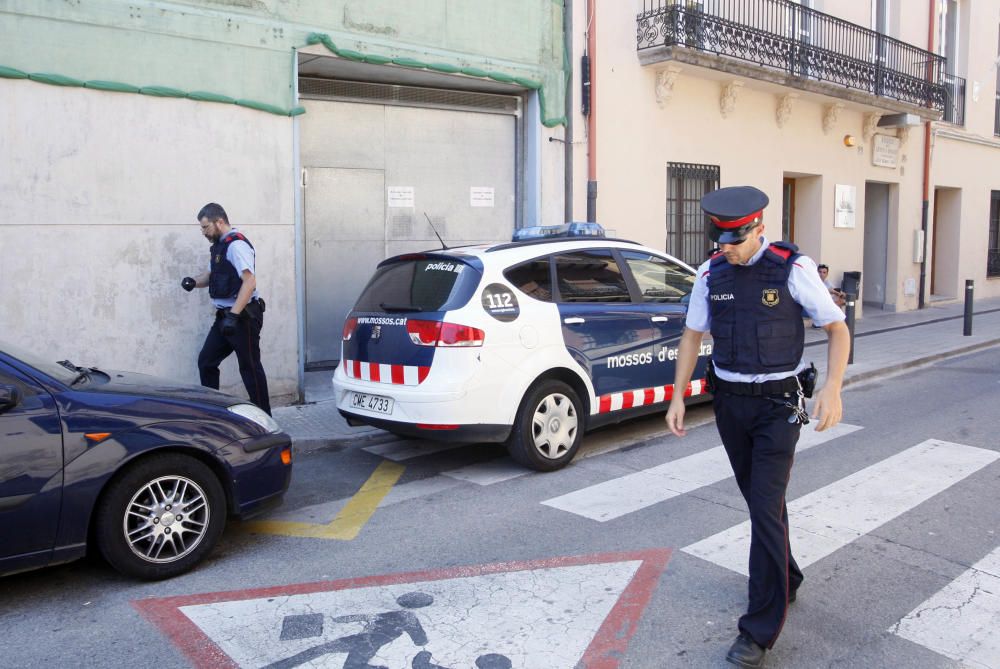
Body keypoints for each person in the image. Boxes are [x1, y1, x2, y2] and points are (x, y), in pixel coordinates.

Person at [664, 186, 850, 668]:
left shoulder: (792, 268)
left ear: (759, 229)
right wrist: (678, 395)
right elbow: (691, 334)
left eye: (736, 239)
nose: (726, 247)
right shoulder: (711, 272)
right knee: (758, 499)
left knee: (765, 507)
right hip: (730, 404)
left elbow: (837, 327)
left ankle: (758, 630)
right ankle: (786, 573)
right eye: (720, 239)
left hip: (777, 406)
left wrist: (832, 388)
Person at [182, 203, 271, 414]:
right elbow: (211, 276)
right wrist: (193, 282)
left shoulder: (236, 246)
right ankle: (213, 413)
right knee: (207, 361)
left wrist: (233, 315)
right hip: (225, 317)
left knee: (249, 367)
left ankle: (265, 418)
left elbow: (249, 282)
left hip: (243, 318)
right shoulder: (220, 246)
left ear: (219, 222)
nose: (203, 232)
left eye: (205, 227)